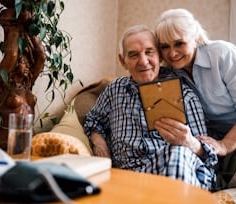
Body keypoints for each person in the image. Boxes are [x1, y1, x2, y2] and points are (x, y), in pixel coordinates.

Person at [84, 24, 218, 191]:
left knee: (178, 155)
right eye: (133, 55)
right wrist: (99, 143)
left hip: (180, 171)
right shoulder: (115, 89)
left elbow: (209, 159)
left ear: (160, 57)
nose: (143, 61)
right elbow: (92, 120)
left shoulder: (184, 95)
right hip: (129, 178)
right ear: (122, 61)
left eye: (149, 52)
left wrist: (190, 143)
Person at [154, 8, 236, 157]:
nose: (172, 53)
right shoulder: (171, 74)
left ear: (195, 37)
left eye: (179, 43)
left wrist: (225, 145)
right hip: (228, 132)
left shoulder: (221, 54)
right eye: (165, 47)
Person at [0, 8, 45, 150]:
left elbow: (41, 56)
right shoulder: (0, 85)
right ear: (13, 66)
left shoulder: (28, 86)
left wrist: (31, 29)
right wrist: (15, 28)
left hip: (28, 143)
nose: (27, 66)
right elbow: (12, 54)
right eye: (23, 62)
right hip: (5, 145)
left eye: (28, 63)